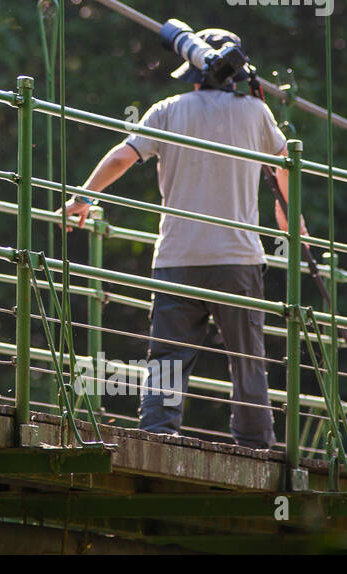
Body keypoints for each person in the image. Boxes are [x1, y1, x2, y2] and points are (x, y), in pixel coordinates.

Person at [62, 29, 293, 450]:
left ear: (194, 73)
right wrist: (287, 217)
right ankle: (255, 446)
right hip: (237, 259)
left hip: (177, 258)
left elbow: (120, 156)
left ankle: (157, 437)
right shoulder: (257, 114)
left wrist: (81, 199)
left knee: (167, 359)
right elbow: (286, 161)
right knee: (247, 361)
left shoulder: (167, 109)